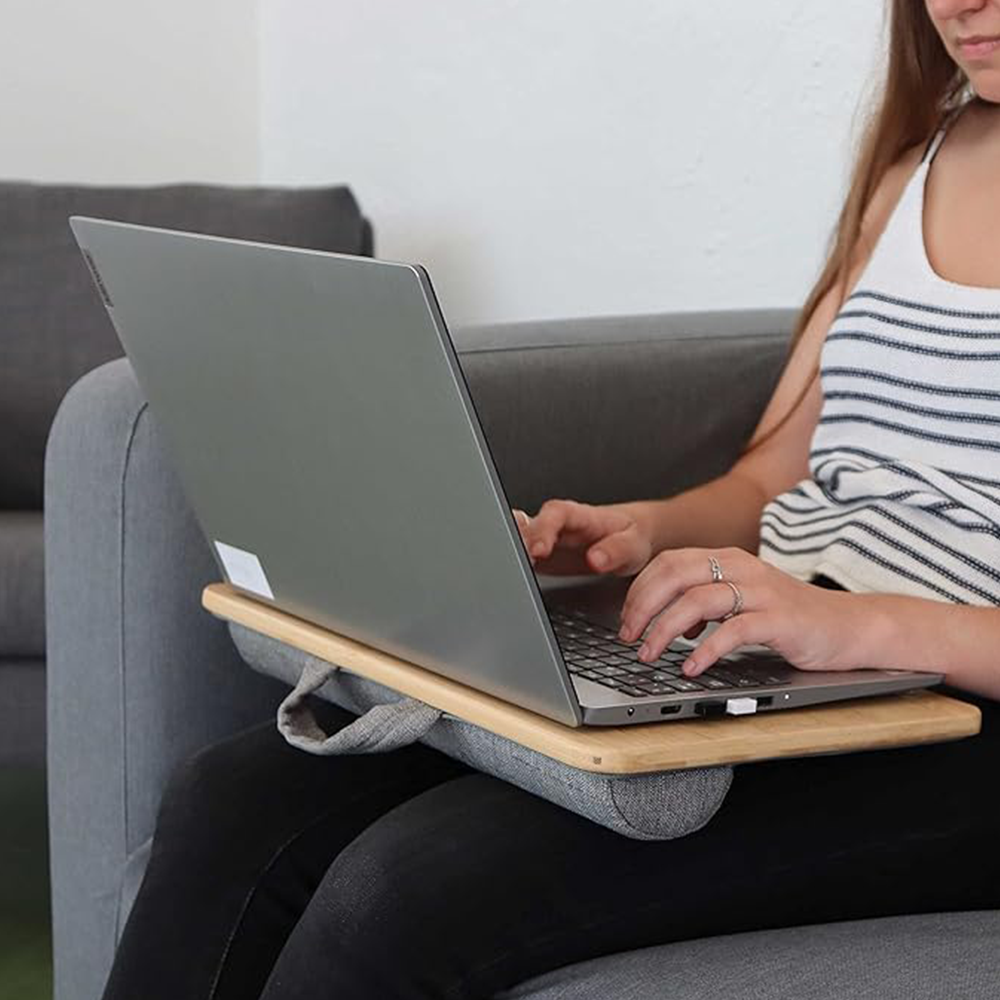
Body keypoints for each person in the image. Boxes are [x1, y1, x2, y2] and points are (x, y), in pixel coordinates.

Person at [101, 3, 1000, 998]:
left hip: (954, 713)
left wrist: (861, 628)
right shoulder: (911, 172)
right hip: (792, 659)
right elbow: (772, 478)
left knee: (403, 893)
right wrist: (643, 532)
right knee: (232, 797)